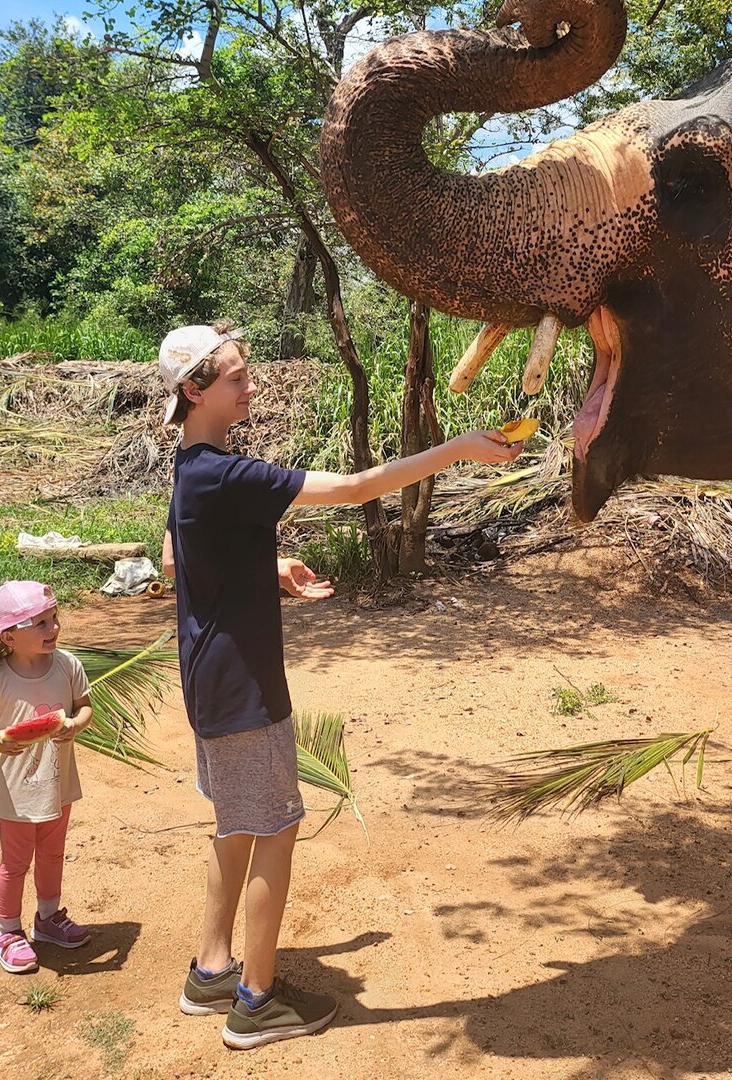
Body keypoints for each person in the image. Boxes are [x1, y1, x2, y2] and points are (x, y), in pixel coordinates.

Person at [159, 321, 522, 1050]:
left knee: (237, 821)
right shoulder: (227, 475)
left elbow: (176, 559)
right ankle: (255, 1003)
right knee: (275, 827)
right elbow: (359, 488)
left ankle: (211, 970)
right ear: (195, 391)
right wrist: (458, 448)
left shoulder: (194, 467)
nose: (249, 386)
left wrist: (270, 568)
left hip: (212, 681)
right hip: (243, 689)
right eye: (236, 378)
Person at [0, 581, 94, 974]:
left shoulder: (68, 665)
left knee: (53, 853)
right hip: (15, 791)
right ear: (9, 636)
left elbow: (84, 706)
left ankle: (48, 918)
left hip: (58, 784)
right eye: (39, 623)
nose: (53, 628)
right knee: (15, 862)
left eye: (53, 619)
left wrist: (74, 724)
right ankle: (7, 932)